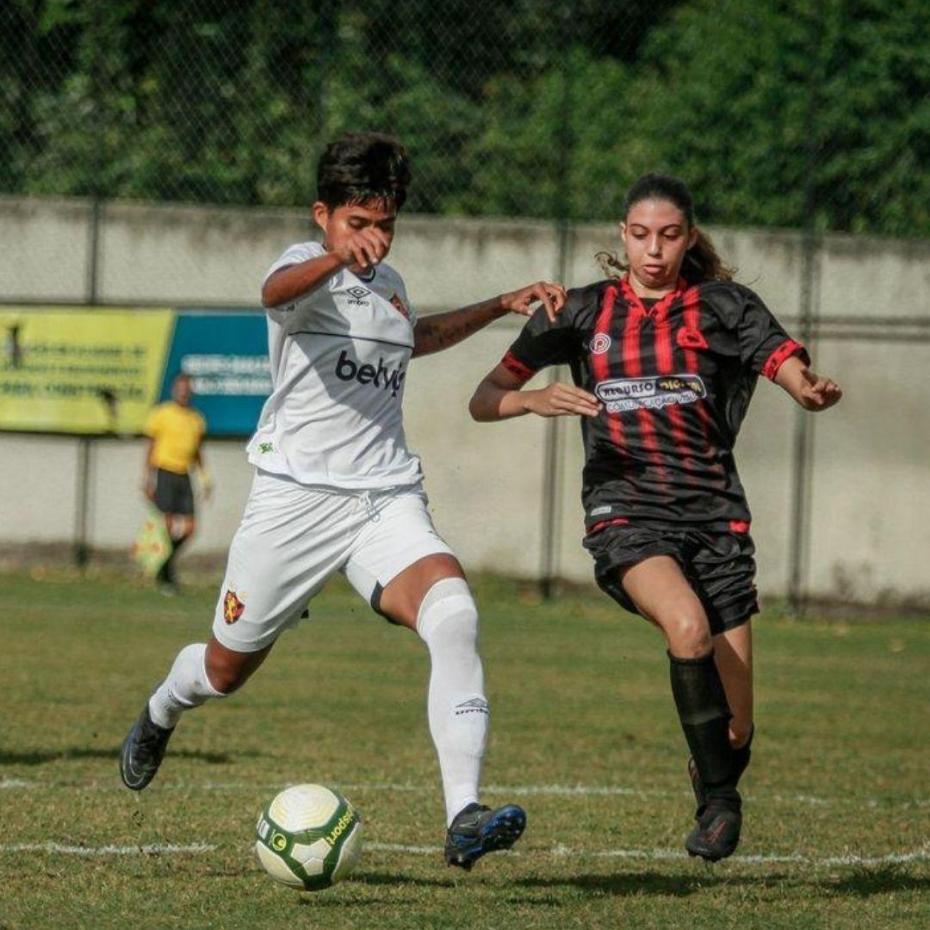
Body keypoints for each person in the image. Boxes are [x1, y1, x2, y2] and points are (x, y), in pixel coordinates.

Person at [120, 132, 566, 871]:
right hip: (294, 501)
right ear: (322, 214)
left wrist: (501, 304)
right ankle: (162, 709)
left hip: (383, 497)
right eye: (359, 221)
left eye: (385, 223)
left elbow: (412, 339)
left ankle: (463, 815)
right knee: (224, 674)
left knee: (454, 613)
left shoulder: (389, 283)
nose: (374, 237)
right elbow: (274, 296)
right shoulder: (301, 268)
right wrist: (335, 257)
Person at [469, 173, 842, 863]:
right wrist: (535, 401)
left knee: (735, 730)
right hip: (625, 514)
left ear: (689, 238)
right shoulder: (577, 314)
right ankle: (719, 806)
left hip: (715, 517)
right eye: (641, 235)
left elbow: (780, 358)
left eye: (669, 236)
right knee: (686, 627)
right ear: (622, 235)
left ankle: (716, 772)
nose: (654, 250)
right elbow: (485, 397)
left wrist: (805, 389)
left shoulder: (721, 306)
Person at [142, 373, 212, 590]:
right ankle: (167, 576)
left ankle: (164, 565)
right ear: (174, 390)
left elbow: (197, 452)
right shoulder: (162, 414)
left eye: (187, 388)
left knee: (190, 529)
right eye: (180, 388)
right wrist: (147, 477)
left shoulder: (196, 419)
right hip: (165, 472)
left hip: (184, 474)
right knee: (168, 526)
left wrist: (205, 478)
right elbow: (151, 446)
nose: (183, 392)